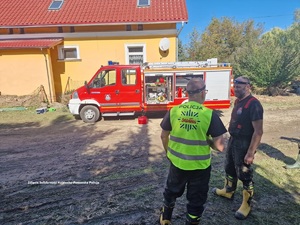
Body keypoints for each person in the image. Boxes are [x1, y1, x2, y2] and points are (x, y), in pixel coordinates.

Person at [159, 78, 227, 225]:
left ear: (187, 93)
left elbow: (164, 135)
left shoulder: (174, 111)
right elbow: (220, 147)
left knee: (171, 192)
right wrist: (207, 141)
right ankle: (192, 221)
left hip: (176, 163)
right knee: (196, 200)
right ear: (203, 93)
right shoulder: (209, 114)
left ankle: (165, 219)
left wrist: (168, 153)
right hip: (200, 167)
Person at [212, 76, 264, 220]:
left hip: (244, 143)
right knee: (229, 167)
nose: (236, 88)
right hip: (233, 140)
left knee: (244, 173)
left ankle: (246, 205)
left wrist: (250, 153)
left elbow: (258, 131)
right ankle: (228, 191)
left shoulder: (254, 104)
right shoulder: (238, 101)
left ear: (248, 86)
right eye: (235, 85)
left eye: (240, 85)